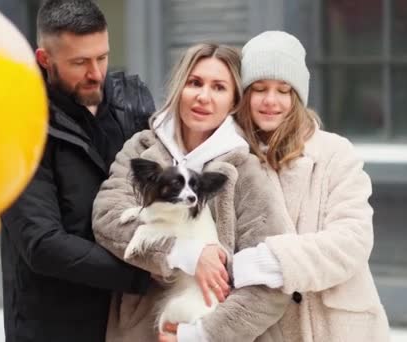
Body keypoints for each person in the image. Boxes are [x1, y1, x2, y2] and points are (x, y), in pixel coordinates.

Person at [91, 43, 291, 342]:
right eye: (195, 83)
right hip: (135, 331)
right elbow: (108, 220)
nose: (203, 96)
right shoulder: (142, 148)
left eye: (219, 87)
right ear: (179, 87)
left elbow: (271, 285)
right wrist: (184, 252)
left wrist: (199, 335)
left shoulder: (246, 171)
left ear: (234, 102)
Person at [0, 1, 155, 341]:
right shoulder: (17, 126)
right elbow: (42, 244)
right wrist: (148, 274)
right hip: (55, 325)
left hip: (129, 322)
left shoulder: (133, 102)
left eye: (102, 56)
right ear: (45, 60)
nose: (96, 73)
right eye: (80, 62)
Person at [231, 31, 391, 341]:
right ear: (244, 94)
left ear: (297, 96)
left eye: (284, 90)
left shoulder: (335, 153)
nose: (270, 101)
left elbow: (351, 241)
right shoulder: (232, 158)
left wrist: (270, 261)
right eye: (259, 88)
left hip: (338, 328)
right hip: (266, 330)